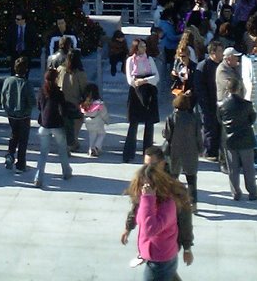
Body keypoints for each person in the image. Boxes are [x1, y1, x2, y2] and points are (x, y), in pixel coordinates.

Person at [121, 146, 195, 276]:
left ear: (162, 163)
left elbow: (185, 219)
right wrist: (128, 227)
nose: (148, 169)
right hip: (154, 249)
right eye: (145, 165)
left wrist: (187, 247)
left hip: (164, 249)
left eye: (153, 165)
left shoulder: (173, 190)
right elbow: (137, 206)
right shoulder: (145, 182)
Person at [217, 77, 257, 201]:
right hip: (245, 138)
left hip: (229, 140)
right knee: (249, 168)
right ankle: (252, 192)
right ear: (239, 88)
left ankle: (235, 192)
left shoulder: (222, 105)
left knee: (233, 168)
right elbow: (252, 119)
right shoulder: (246, 105)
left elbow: (219, 120)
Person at [34, 67, 72, 188]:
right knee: (62, 150)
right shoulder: (58, 93)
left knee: (43, 153)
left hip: (44, 125)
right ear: (56, 79)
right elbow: (63, 109)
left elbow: (39, 107)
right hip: (57, 124)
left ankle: (38, 177)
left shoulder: (41, 92)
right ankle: (66, 172)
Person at [123, 38, 160, 163]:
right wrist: (136, 82)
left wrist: (145, 80)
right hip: (136, 93)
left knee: (149, 124)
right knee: (133, 123)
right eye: (141, 46)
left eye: (144, 46)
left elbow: (156, 77)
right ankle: (128, 154)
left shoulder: (149, 59)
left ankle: (148, 153)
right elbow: (130, 80)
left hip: (149, 91)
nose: (144, 49)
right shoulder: (130, 60)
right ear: (136, 48)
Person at [162, 92, 202, 209]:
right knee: (191, 179)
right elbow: (198, 135)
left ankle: (173, 202)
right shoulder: (193, 118)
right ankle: (193, 203)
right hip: (191, 150)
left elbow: (168, 135)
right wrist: (200, 148)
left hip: (175, 150)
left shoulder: (172, 118)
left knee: (173, 177)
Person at [0, 54, 33, 172]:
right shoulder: (26, 83)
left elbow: (3, 96)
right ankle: (21, 163)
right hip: (24, 115)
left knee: (14, 135)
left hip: (11, 114)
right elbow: (31, 101)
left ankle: (9, 155)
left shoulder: (8, 81)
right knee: (23, 139)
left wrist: (6, 108)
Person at [193, 41, 223, 159]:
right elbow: (199, 87)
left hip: (218, 102)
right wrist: (205, 104)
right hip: (207, 104)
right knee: (209, 127)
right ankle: (209, 151)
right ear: (212, 52)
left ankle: (216, 150)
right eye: (219, 51)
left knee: (217, 128)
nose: (222, 54)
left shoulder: (221, 65)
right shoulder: (203, 66)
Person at [57, 48, 88, 152]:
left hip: (61, 102)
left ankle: (67, 142)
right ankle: (73, 141)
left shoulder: (60, 69)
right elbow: (84, 89)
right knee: (78, 121)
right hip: (74, 104)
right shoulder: (80, 73)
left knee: (64, 124)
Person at [81, 82, 109, 157]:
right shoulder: (99, 103)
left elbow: (83, 112)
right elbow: (104, 113)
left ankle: (91, 149)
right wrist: (107, 121)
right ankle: (96, 147)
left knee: (92, 135)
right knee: (102, 134)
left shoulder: (85, 103)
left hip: (88, 121)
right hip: (97, 121)